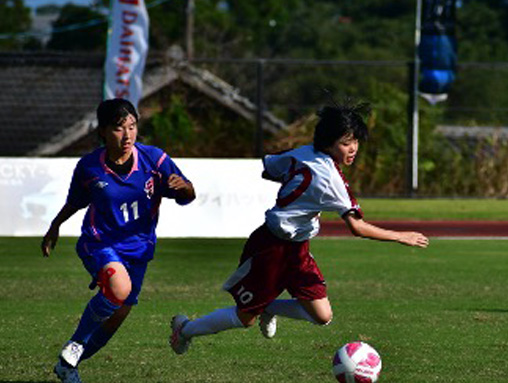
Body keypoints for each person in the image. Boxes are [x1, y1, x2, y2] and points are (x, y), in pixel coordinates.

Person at [169, 101, 429, 355]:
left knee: (322, 315)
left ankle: (269, 307)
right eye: (346, 143)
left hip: (297, 248)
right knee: (245, 318)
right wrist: (400, 236)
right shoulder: (330, 179)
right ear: (328, 143)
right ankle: (185, 329)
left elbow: (269, 168)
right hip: (271, 248)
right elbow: (357, 227)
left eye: (355, 142)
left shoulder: (303, 152)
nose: (353, 149)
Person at [42, 98, 196, 383]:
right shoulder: (89, 167)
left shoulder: (155, 160)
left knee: (116, 316)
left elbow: (187, 196)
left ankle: (68, 363)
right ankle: (75, 345)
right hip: (99, 244)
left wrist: (185, 188)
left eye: (132, 126)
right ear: (102, 131)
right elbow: (76, 201)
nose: (127, 136)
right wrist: (55, 225)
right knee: (119, 288)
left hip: (139, 250)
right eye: (118, 128)